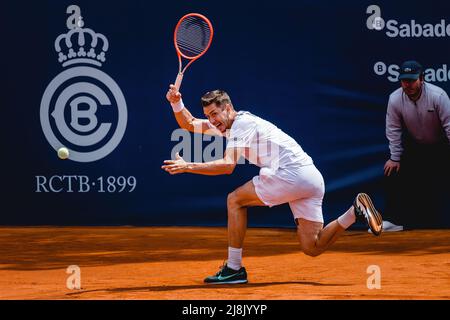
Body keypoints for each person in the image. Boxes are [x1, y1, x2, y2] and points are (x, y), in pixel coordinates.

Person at [162, 85, 383, 284]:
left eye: (214, 114)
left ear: (228, 107)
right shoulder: (228, 126)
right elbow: (189, 123)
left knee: (235, 200)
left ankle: (234, 268)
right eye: (208, 116)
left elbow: (228, 166)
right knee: (312, 247)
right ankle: (355, 211)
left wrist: (187, 166)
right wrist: (176, 101)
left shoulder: (242, 124)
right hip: (311, 178)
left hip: (290, 174)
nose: (211, 121)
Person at [384, 60, 450, 229]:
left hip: (442, 146)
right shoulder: (395, 99)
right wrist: (394, 158)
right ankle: (394, 221)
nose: (409, 85)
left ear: (422, 79)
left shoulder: (438, 96)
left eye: (412, 80)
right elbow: (393, 130)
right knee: (392, 169)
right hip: (416, 147)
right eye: (405, 81)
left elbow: (449, 126)